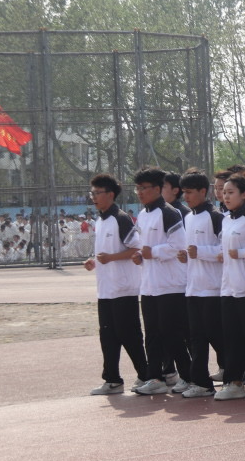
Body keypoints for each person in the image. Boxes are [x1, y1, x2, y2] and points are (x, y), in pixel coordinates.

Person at [84, 173, 148, 395]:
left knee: (129, 334)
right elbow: (105, 252)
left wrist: (111, 258)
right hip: (106, 289)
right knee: (107, 335)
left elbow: (136, 248)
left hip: (123, 288)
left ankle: (146, 375)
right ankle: (112, 379)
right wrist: (94, 262)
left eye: (97, 193)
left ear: (110, 195)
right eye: (92, 193)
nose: (93, 197)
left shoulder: (121, 218)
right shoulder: (100, 221)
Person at [131, 167, 190, 395]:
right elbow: (143, 246)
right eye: (137, 188)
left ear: (157, 188)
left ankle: (188, 376)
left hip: (170, 284)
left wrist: (153, 252)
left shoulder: (169, 213)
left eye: (143, 188)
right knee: (152, 334)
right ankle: (155, 377)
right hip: (149, 284)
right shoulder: (143, 215)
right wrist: (140, 255)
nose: (139, 192)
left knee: (172, 333)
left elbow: (179, 246)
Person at [176, 169, 225, 398]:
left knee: (216, 335)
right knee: (196, 338)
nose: (185, 197)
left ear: (203, 191)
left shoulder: (216, 217)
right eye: (183, 192)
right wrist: (185, 256)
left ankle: (237, 372)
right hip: (193, 286)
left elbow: (225, 251)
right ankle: (201, 382)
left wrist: (201, 252)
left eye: (189, 192)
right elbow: (191, 251)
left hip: (213, 288)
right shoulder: (188, 217)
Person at [214, 174, 245, 400]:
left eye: (231, 192)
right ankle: (233, 382)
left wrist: (241, 253)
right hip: (228, 287)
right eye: (224, 192)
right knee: (230, 336)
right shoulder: (226, 219)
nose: (226, 196)